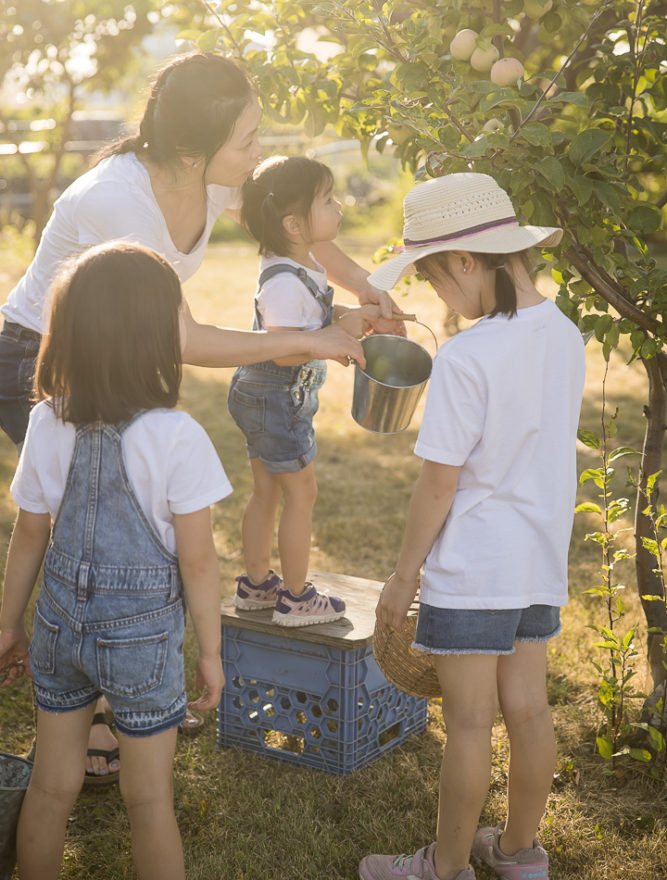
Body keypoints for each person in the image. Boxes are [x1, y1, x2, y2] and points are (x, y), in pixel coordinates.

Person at [0, 49, 398, 778]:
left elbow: (301, 232)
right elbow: (179, 338)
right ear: (194, 148)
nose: (257, 153)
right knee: (95, 526)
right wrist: (310, 335)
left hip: (113, 350)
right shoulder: (120, 200)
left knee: (122, 523)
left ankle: (125, 692)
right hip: (43, 354)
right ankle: (90, 717)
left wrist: (370, 291)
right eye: (246, 140)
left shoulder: (211, 180)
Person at [357, 173, 585, 880]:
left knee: (466, 725)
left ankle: (444, 867)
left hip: (472, 570)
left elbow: (437, 483)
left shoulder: (465, 356)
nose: (437, 298)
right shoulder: (566, 335)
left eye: (431, 279)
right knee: (529, 712)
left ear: (463, 262)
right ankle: (519, 854)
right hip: (536, 561)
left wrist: (402, 578)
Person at [0, 242, 229, 880]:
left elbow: (29, 534)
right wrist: (210, 653)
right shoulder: (177, 436)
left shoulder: (47, 421)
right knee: (149, 799)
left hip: (57, 629)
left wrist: (7, 623)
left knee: (50, 788)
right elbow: (200, 563)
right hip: (143, 642)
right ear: (154, 337)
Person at [228, 155, 373, 626]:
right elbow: (286, 350)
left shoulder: (299, 263)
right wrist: (331, 345)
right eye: (328, 201)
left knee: (266, 490)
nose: (340, 209)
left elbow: (312, 321)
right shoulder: (284, 281)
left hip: (262, 397)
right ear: (293, 223)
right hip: (276, 398)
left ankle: (255, 586)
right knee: (301, 494)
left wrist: (355, 319)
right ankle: (295, 598)